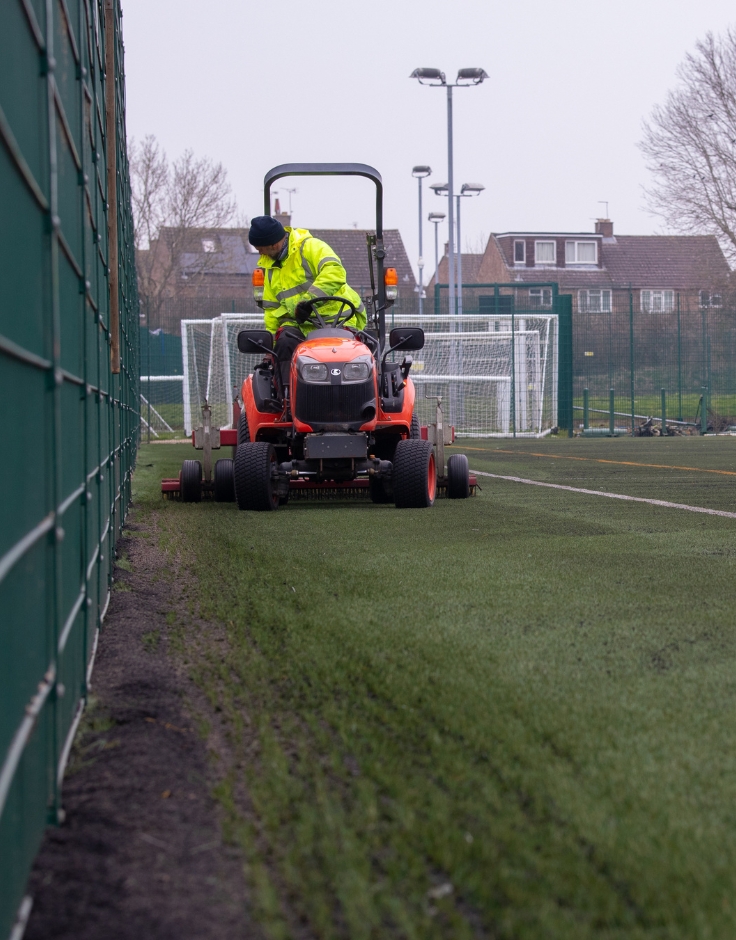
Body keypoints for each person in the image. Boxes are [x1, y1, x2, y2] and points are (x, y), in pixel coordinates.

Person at [247, 216, 366, 388]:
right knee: (284, 343)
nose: (260, 253)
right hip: (301, 327)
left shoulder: (311, 247)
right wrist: (270, 347)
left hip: (339, 321)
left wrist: (308, 302)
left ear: (273, 245)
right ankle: (288, 400)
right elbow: (272, 312)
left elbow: (335, 271)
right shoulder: (270, 270)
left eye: (260, 248)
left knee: (348, 355)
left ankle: (356, 397)